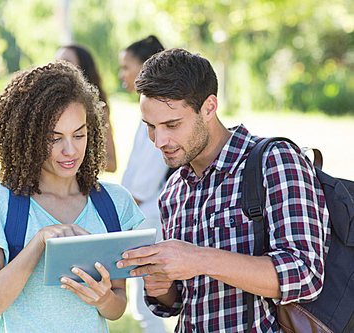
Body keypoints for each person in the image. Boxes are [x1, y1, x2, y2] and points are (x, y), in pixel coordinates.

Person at [117, 48, 330, 332]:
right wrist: (161, 284)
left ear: (209, 107)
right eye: (151, 126)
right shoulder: (173, 191)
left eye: (172, 125)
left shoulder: (273, 160)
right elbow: (178, 302)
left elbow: (304, 274)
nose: (159, 140)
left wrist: (199, 259)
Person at [0, 61, 144, 332]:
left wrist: (104, 298)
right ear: (29, 137)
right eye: (55, 138)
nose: (70, 150)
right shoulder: (0, 201)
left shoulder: (115, 202)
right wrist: (39, 243)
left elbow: (117, 307)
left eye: (79, 134)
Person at [118, 35, 169, 333]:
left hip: (148, 218)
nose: (123, 74)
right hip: (143, 215)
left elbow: (143, 184)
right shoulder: (146, 113)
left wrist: (119, 213)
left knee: (146, 303)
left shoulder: (158, 115)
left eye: (127, 66)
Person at [55, 44, 117, 172]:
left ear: (82, 68)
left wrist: (76, 158)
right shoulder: (46, 107)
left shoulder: (98, 110)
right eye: (57, 62)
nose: (59, 67)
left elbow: (111, 163)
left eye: (66, 62)